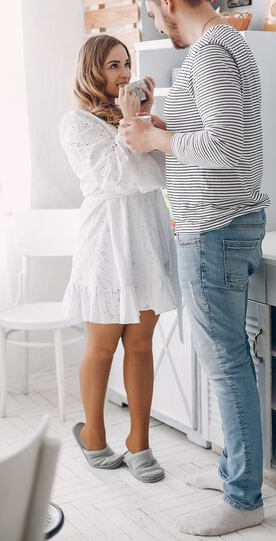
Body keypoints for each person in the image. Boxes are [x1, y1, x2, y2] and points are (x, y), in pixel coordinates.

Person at [120, 0, 270, 536]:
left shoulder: (212, 52)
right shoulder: (225, 49)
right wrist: (159, 119)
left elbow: (227, 152)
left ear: (167, 2)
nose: (162, 30)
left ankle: (243, 498)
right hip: (222, 227)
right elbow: (213, 134)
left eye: (157, 18)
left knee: (227, 364)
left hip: (214, 231)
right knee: (228, 359)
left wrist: (155, 134)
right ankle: (236, 470)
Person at [60, 34, 180, 483]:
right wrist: (135, 126)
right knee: (104, 344)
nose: (124, 73)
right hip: (105, 240)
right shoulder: (76, 123)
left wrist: (147, 121)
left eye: (127, 64)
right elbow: (114, 176)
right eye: (113, 65)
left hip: (146, 235)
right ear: (93, 70)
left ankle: (139, 443)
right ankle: (92, 433)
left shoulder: (140, 120)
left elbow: (161, 174)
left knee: (142, 344)